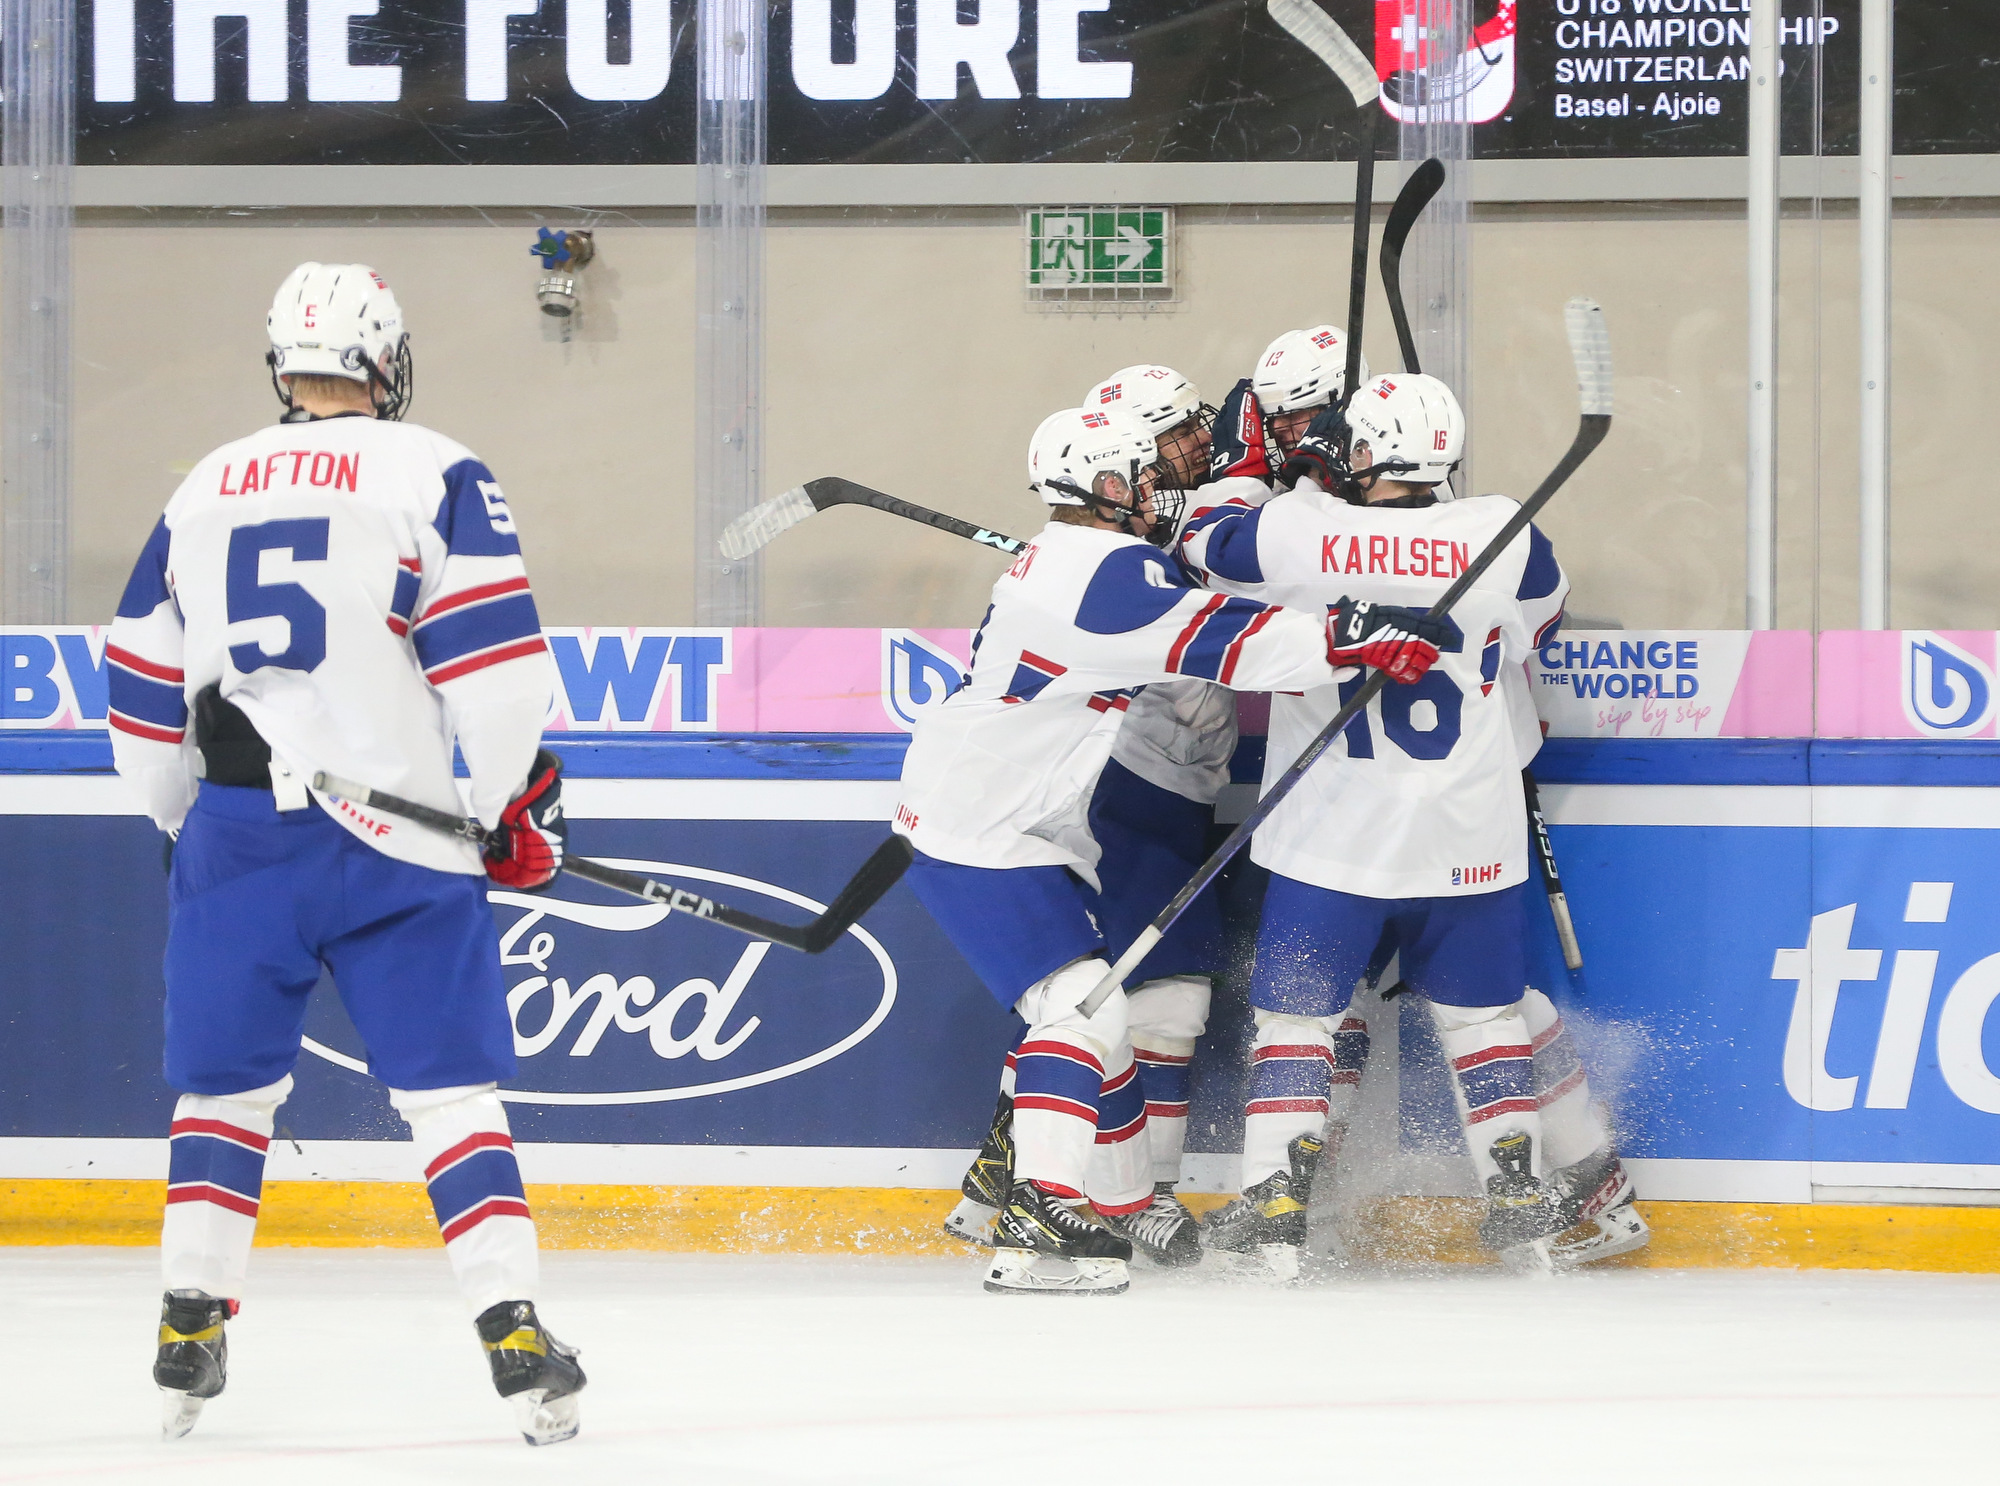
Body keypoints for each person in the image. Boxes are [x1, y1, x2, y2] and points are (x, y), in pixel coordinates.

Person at [109, 262, 586, 1443]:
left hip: (236, 834)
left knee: (223, 1090)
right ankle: (512, 1326)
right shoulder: (436, 466)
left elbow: (135, 681)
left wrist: (183, 818)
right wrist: (499, 799)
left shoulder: (205, 483)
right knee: (450, 1096)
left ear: (281, 361)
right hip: (400, 842)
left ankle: (187, 1323)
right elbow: (494, 665)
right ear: (388, 360)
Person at [896, 404, 1442, 1295]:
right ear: (1107, 487)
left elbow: (1193, 614)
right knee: (1077, 1008)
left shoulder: (1075, 559)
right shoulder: (1103, 573)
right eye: (1139, 474)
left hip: (997, 814)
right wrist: (1348, 634)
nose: (1156, 485)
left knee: (1100, 1012)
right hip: (982, 824)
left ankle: (1103, 1208)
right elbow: (1229, 643)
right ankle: (1038, 1221)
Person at [1180, 369, 1642, 1276]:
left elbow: (1198, 548)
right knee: (1485, 1023)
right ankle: (1521, 1199)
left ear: (1358, 450)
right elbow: (1537, 628)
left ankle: (1276, 1218)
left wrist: (1261, 474)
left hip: (1332, 840)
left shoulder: (1301, 530)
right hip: (1468, 835)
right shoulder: (1504, 530)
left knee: (1298, 1028)